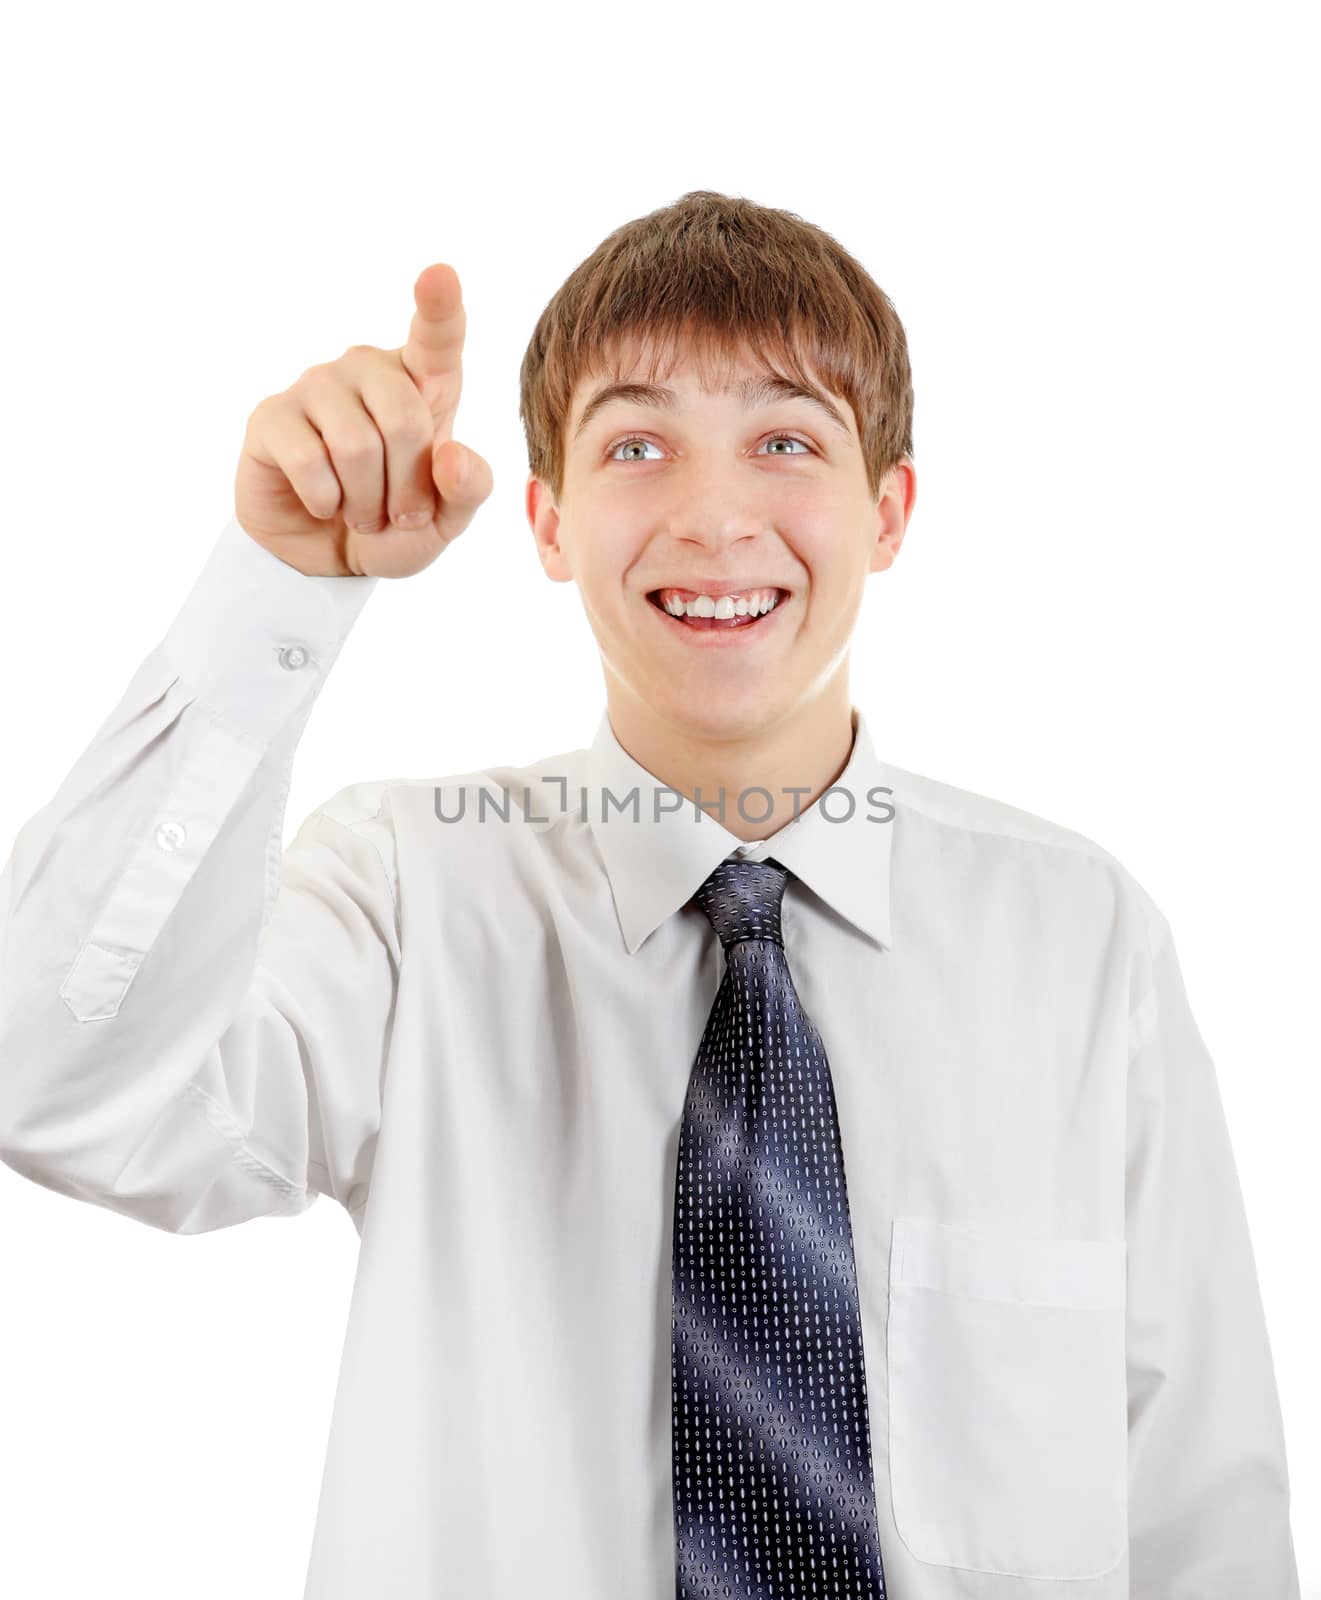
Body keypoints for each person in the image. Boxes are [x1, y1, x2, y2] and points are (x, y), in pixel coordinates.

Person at [0, 190, 1300, 1598]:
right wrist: (275, 595)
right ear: (549, 523)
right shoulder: (405, 889)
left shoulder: (1078, 934)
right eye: (635, 445)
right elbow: (56, 1083)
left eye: (785, 441)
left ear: (890, 511)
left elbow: (1195, 1498)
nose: (712, 515)